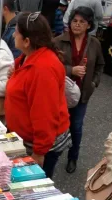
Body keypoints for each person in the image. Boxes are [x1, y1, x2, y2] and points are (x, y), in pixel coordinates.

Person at [5, 12, 70, 178]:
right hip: (27, 139)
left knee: (32, 189)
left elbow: (44, 115)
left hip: (38, 146)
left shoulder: (43, 69)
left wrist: (39, 153)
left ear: (27, 41)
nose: (13, 34)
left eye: (17, 32)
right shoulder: (29, 58)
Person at [54, 7, 104, 174]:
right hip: (60, 93)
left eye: (82, 22)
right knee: (57, 125)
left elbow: (100, 65)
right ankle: (52, 154)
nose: (77, 24)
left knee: (76, 127)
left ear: (89, 25)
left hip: (82, 94)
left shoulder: (94, 43)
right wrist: (70, 70)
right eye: (75, 21)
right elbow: (51, 66)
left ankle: (72, 157)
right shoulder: (58, 41)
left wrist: (94, 83)